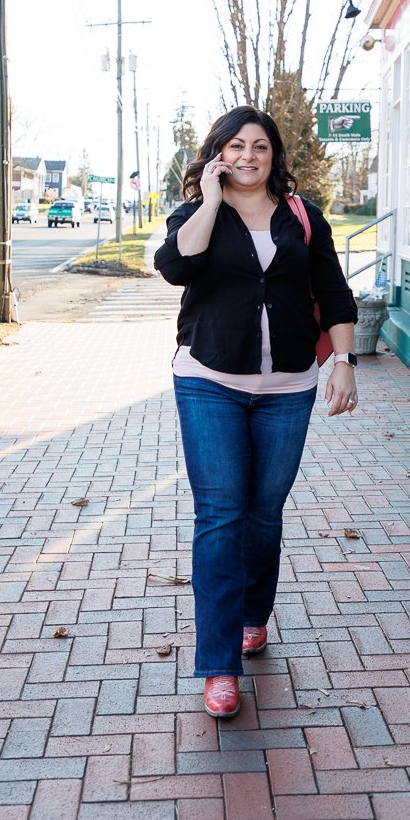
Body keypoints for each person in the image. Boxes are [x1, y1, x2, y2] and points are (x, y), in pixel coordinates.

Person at [154, 105, 359, 718]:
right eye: (236, 146)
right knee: (221, 515)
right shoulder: (197, 214)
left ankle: (252, 613)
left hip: (289, 387)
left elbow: (335, 292)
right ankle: (218, 665)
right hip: (209, 381)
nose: (249, 156)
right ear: (219, 154)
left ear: (275, 156)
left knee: (264, 512)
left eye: (260, 146)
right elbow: (175, 267)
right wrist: (211, 198)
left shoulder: (303, 216)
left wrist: (344, 361)